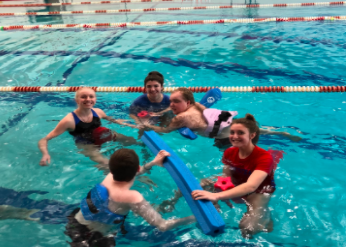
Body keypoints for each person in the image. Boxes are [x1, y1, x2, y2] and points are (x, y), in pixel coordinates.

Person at [65, 148, 196, 246]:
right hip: (93, 239)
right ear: (137, 168)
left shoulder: (109, 176)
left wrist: (153, 163)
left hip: (74, 223)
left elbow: (132, 172)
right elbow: (162, 226)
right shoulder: (132, 197)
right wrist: (195, 218)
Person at [191, 114, 277, 238]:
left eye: (240, 133)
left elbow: (251, 186)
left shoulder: (264, 157)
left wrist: (217, 195)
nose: (235, 136)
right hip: (239, 181)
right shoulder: (229, 151)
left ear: (252, 135)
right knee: (202, 185)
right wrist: (218, 190)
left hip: (259, 191)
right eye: (232, 132)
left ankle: (265, 216)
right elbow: (226, 174)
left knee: (247, 229)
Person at [143, 87, 302, 142]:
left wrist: (146, 125)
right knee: (260, 129)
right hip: (230, 120)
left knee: (228, 147)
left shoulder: (180, 118)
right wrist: (163, 111)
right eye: (171, 101)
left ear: (187, 103)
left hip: (224, 134)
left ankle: (277, 135)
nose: (171, 105)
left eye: (175, 102)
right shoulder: (197, 105)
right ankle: (282, 132)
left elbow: (164, 131)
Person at [38, 87, 139, 167]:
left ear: (95, 99)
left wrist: (131, 125)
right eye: (83, 97)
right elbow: (44, 139)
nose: (88, 99)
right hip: (86, 144)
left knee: (133, 141)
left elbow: (114, 120)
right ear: (77, 100)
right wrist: (45, 154)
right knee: (106, 164)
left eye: (91, 96)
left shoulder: (98, 112)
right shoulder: (69, 120)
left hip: (102, 135)